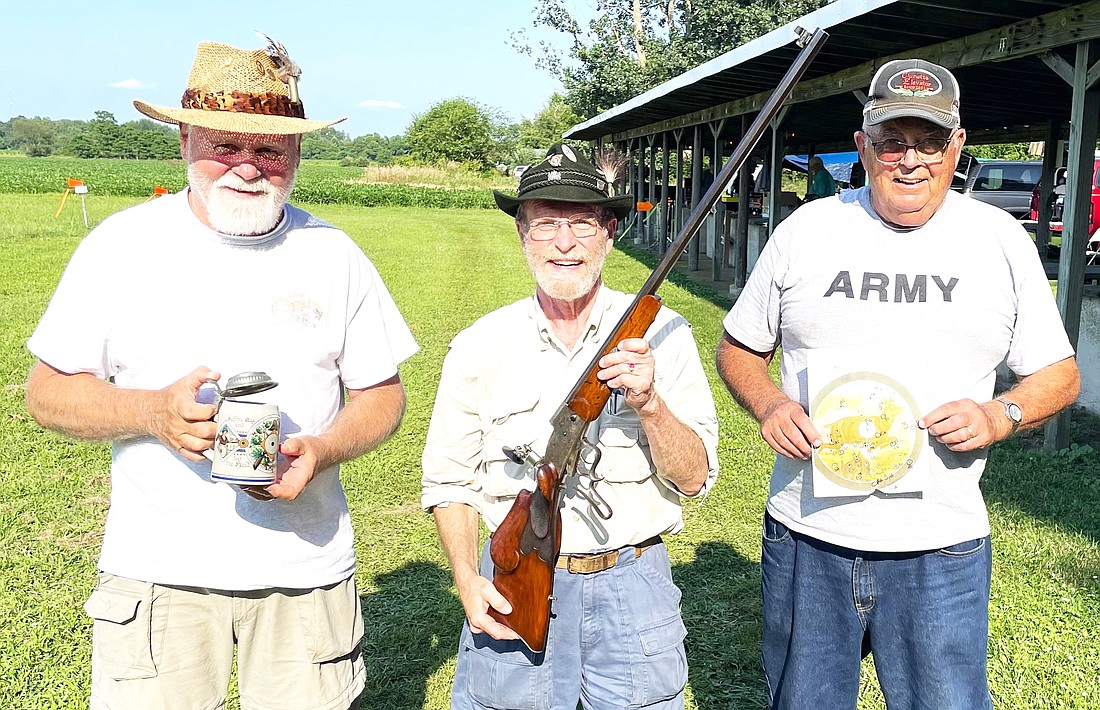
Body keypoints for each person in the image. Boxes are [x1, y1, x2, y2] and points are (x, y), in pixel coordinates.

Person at [25, 37, 418, 710]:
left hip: (304, 573)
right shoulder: (120, 246)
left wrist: (320, 452)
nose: (246, 167)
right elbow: (46, 394)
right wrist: (150, 413)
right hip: (157, 576)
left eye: (269, 149)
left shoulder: (334, 253)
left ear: (296, 151)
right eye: (223, 146)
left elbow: (382, 396)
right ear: (184, 141)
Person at [715, 59, 1080, 709]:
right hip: (806, 539)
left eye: (930, 140)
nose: (910, 159)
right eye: (891, 140)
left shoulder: (999, 240)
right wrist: (769, 403)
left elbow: (1058, 373)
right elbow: (740, 348)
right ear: (863, 145)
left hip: (939, 550)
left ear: (957, 146)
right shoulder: (807, 232)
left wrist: (1002, 415)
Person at [422, 144, 719, 709]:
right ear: (521, 235)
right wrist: (466, 577)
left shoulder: (666, 335)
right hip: (512, 582)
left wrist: (652, 403)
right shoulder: (480, 345)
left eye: (582, 223)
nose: (564, 243)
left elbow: (694, 479)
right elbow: (449, 482)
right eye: (546, 224)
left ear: (609, 232)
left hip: (632, 584)